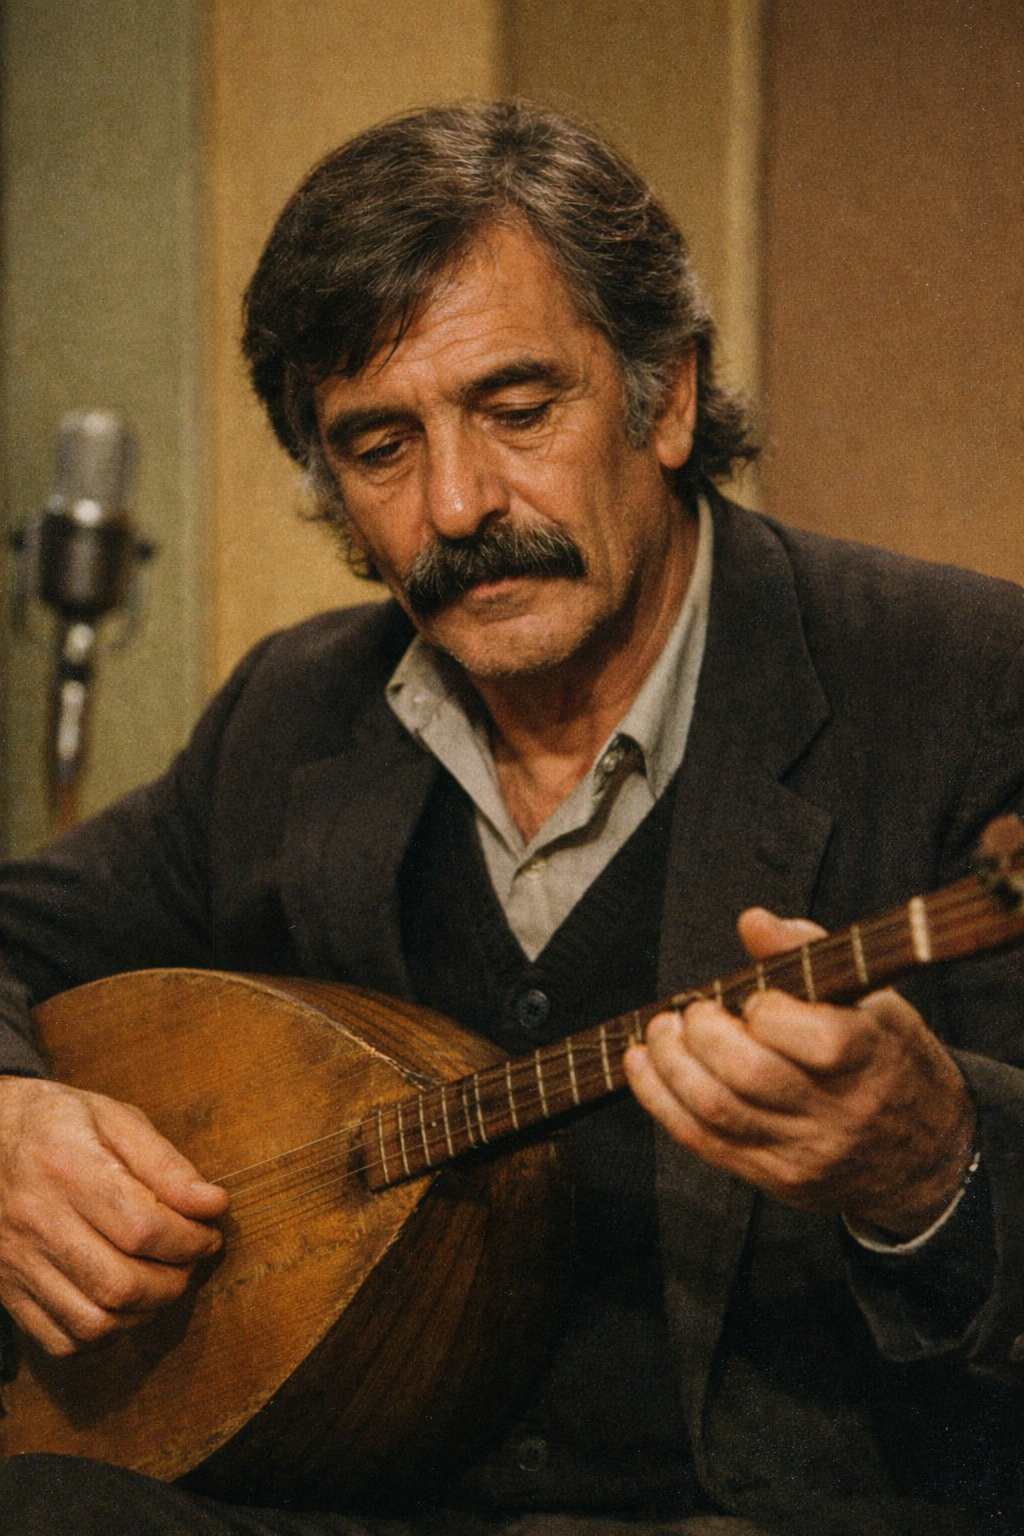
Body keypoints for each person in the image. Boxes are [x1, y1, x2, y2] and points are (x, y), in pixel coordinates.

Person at [0, 100, 1022, 1536]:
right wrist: (9, 1120)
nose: (460, 503)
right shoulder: (296, 713)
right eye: (380, 446)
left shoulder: (963, 685)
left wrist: (931, 1166)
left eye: (519, 410)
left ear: (667, 398)